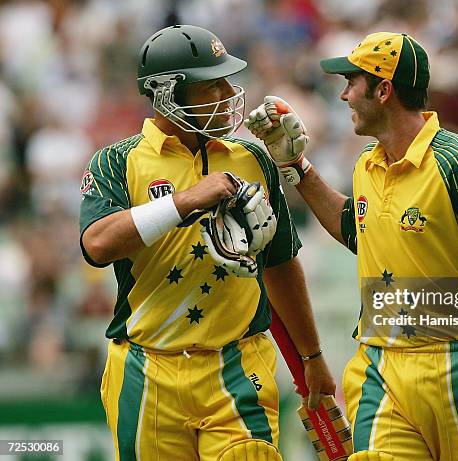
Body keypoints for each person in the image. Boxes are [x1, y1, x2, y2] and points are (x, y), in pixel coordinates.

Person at [245, 32, 458, 460]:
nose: (344, 95)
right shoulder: (366, 163)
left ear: (383, 90)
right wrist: (297, 166)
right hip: (380, 367)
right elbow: (355, 229)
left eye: (352, 82)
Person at [79, 25, 334, 461]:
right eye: (209, 85)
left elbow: (280, 265)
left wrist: (311, 357)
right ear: (166, 94)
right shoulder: (117, 161)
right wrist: (184, 202)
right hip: (146, 367)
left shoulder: (252, 157)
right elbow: (97, 245)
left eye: (225, 80)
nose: (226, 92)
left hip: (238, 365)